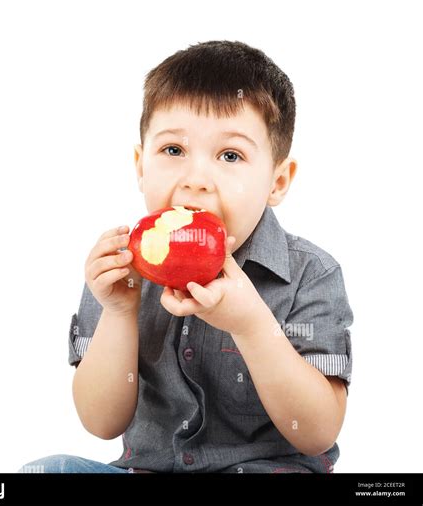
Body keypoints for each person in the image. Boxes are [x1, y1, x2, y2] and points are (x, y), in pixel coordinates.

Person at [19, 40, 353, 474]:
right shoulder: (120, 271)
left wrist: (250, 324)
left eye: (230, 155)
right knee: (47, 472)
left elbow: (317, 431)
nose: (196, 180)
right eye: (173, 151)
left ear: (278, 181)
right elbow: (101, 423)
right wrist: (119, 312)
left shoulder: (311, 273)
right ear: (140, 166)